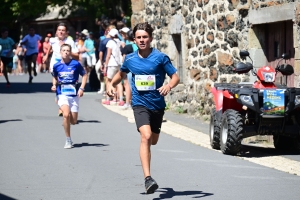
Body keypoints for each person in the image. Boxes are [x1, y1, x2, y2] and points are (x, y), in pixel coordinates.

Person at [107, 22, 180, 194]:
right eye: (139, 37)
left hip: (157, 105)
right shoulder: (130, 59)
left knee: (153, 140)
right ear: (134, 39)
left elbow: (175, 77)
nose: (142, 40)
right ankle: (148, 179)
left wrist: (168, 86)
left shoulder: (160, 58)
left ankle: (148, 172)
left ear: (151, 38)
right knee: (145, 136)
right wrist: (111, 84)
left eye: (145, 37)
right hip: (139, 103)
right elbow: (122, 73)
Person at [51, 43, 87, 149]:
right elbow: (55, 76)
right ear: (60, 52)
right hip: (62, 93)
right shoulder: (57, 65)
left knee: (73, 121)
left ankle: (66, 122)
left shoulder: (75, 64)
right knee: (66, 115)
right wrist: (54, 85)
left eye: (68, 50)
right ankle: (68, 140)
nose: (66, 52)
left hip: (74, 93)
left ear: (70, 52)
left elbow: (84, 75)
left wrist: (81, 88)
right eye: (64, 50)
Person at [43, 22, 79, 117]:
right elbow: (50, 47)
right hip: (55, 65)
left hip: (67, 66)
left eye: (63, 30)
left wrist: (68, 52)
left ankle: (63, 103)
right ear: (56, 32)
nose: (61, 32)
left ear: (66, 32)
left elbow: (77, 55)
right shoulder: (53, 40)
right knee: (58, 83)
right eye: (59, 30)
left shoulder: (70, 42)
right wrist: (46, 56)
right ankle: (61, 103)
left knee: (65, 84)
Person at [103, 28, 123, 105]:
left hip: (111, 64)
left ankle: (108, 98)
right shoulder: (120, 42)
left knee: (109, 81)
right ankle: (120, 99)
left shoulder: (110, 42)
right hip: (119, 64)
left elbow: (108, 55)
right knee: (118, 82)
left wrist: (105, 65)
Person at [120, 30, 138, 109]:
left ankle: (128, 103)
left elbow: (124, 59)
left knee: (128, 86)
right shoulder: (138, 46)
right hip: (139, 68)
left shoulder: (127, 47)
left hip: (130, 70)